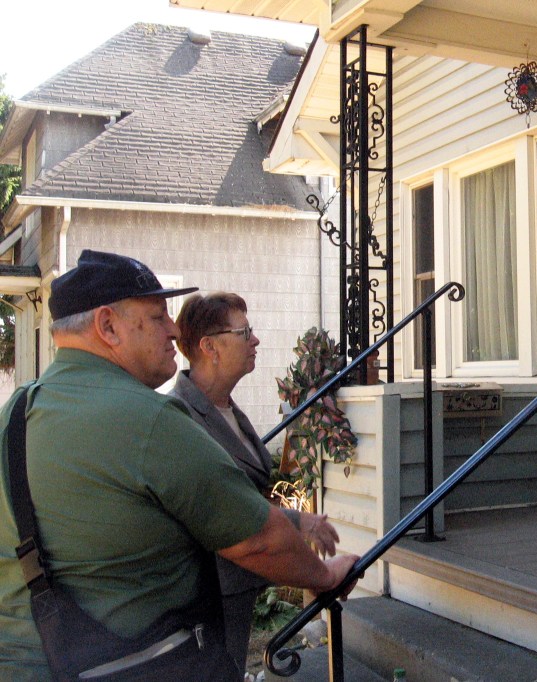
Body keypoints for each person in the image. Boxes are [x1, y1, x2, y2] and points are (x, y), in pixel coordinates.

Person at [0, 250, 360, 680]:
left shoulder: (13, 416)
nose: (174, 330)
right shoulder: (148, 419)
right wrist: (324, 575)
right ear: (108, 326)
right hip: (143, 664)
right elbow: (258, 540)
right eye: (157, 317)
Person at [169, 292, 340, 677]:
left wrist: (299, 525)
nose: (255, 340)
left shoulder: (225, 409)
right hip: (205, 598)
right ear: (209, 347)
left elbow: (243, 495)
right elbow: (222, 505)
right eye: (244, 332)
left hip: (235, 589)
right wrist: (301, 531)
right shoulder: (181, 416)